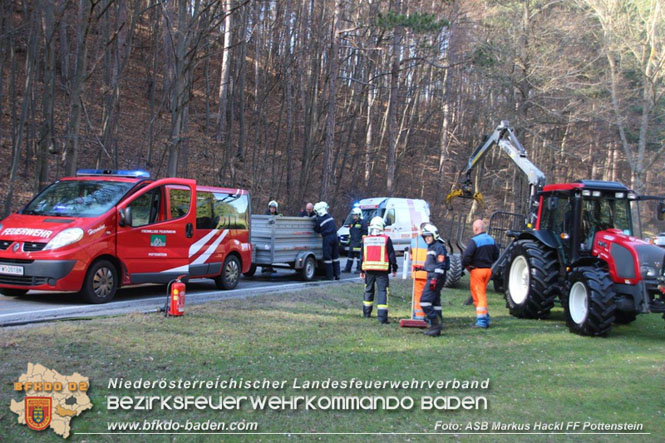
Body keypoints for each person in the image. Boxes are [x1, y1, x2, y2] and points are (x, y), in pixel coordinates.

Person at [462, 219, 499, 329]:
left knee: (479, 295)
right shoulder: (491, 240)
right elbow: (496, 255)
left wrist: (466, 265)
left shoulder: (474, 241)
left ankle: (482, 321)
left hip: (477, 271)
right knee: (480, 293)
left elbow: (466, 256)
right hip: (488, 270)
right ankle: (485, 317)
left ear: (475, 229)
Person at [359, 217, 397, 324]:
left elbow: (362, 256)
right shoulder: (386, 239)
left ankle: (366, 314)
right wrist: (394, 267)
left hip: (368, 270)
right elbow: (391, 255)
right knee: (382, 292)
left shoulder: (365, 239)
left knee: (368, 290)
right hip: (382, 271)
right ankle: (382, 318)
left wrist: (361, 270)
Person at [414, 223, 448, 336]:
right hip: (433, 276)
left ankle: (435, 324)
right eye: (425, 237)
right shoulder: (432, 246)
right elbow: (432, 264)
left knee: (424, 301)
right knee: (435, 302)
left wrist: (434, 279)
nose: (427, 239)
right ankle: (437, 326)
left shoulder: (438, 247)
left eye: (429, 236)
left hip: (435, 278)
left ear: (434, 235)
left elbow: (440, 265)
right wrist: (422, 268)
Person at [313, 201, 340, 280]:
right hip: (335, 237)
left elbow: (316, 230)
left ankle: (329, 276)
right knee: (335, 257)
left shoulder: (320, 220)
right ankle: (337, 274)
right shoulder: (330, 217)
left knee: (327, 258)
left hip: (327, 239)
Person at [343, 208, 367, 273]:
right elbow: (351, 232)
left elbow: (365, 232)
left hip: (359, 243)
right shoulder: (352, 223)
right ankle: (347, 269)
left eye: (355, 215)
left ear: (359, 215)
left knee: (359, 257)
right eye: (353, 215)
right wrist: (348, 240)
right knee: (350, 257)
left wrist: (362, 241)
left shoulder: (363, 222)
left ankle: (359, 269)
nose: (354, 216)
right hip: (353, 242)